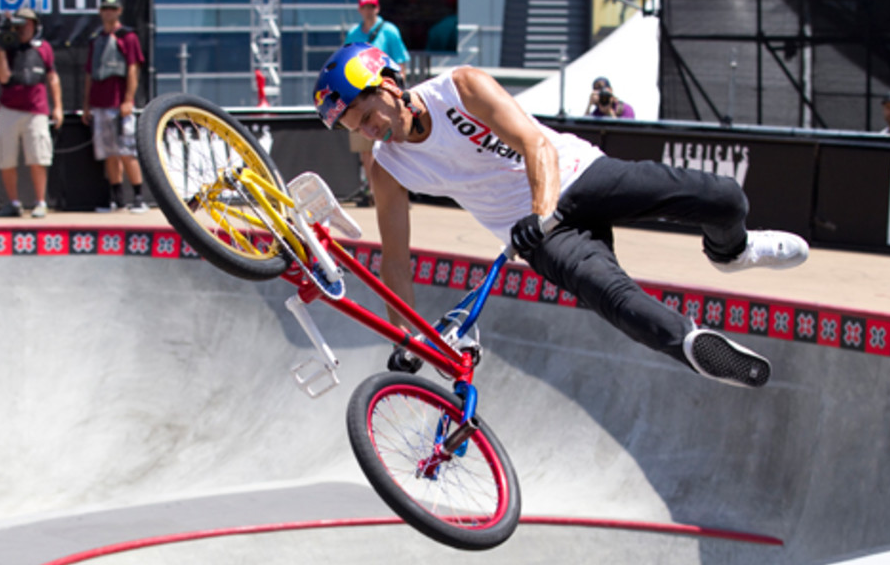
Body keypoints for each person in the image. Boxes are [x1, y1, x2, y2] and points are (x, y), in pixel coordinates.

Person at [313, 44, 810, 389]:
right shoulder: (388, 168)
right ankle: (693, 346)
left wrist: (540, 210)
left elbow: (534, 145)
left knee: (723, 199)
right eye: (359, 127)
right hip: (539, 238)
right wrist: (408, 337)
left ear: (389, 82)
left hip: (579, 177)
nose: (375, 129)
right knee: (611, 296)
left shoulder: (460, 89)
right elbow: (396, 260)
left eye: (369, 112)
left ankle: (733, 251)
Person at [0, 7, 63, 218]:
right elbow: (3, 78)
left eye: (28, 24)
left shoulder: (44, 48)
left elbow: (52, 77)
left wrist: (57, 107)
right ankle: (13, 203)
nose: (24, 28)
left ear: (35, 26)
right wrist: (1, 48)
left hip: (36, 110)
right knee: (7, 158)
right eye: (20, 24)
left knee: (38, 157)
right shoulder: (8, 48)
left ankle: (40, 202)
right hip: (9, 110)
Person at [82, 0, 149, 213]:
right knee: (108, 153)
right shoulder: (96, 40)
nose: (108, 13)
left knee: (127, 151)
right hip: (100, 103)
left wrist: (128, 99)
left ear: (119, 11)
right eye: (104, 9)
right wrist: (86, 104)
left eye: (112, 9)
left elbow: (133, 69)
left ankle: (139, 197)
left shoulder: (127, 37)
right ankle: (117, 198)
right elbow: (90, 73)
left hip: (119, 103)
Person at [342, 0, 410, 206]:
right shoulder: (354, 33)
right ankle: (374, 193)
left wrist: (395, 91)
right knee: (366, 148)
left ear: (377, 8)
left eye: (372, 7)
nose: (369, 11)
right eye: (365, 7)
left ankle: (401, 192)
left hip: (384, 95)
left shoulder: (389, 31)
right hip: (362, 98)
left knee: (396, 145)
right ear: (360, 9)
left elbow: (400, 62)